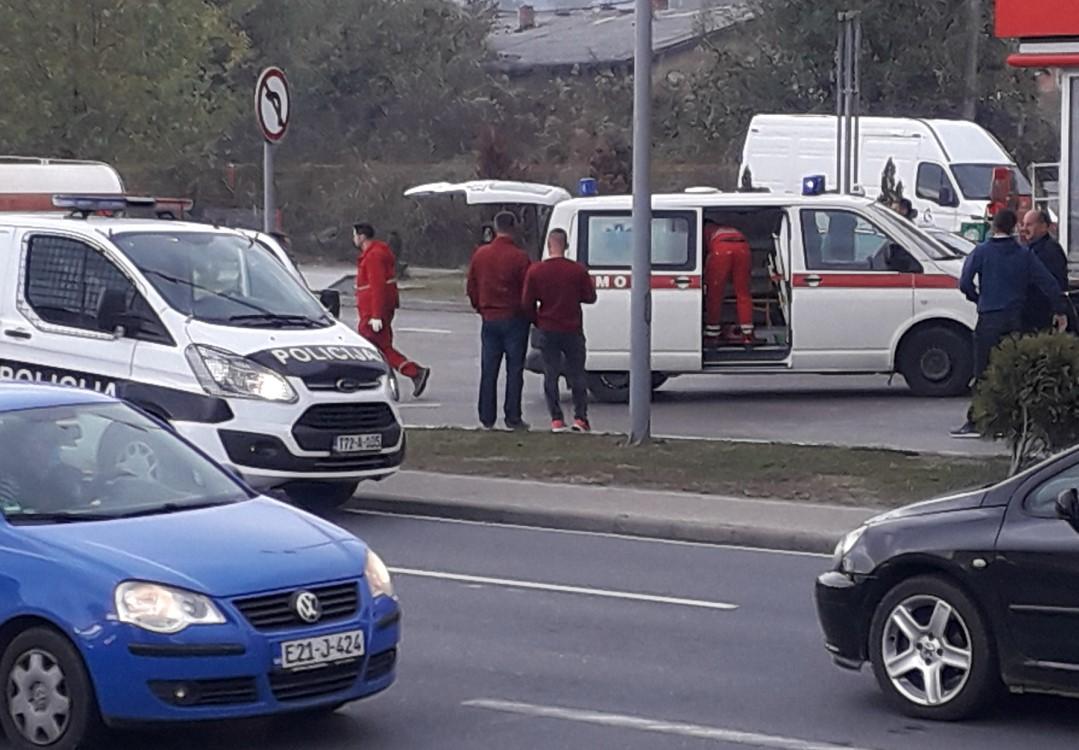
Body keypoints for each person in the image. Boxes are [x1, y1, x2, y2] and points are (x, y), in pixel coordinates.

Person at [951, 209, 1068, 437]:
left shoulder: (981, 252)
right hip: (1015, 318)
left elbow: (965, 282)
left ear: (994, 226)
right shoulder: (1024, 254)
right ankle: (1013, 421)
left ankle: (977, 421)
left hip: (989, 317)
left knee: (983, 369)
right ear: (1014, 226)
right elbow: (1048, 283)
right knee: (1013, 369)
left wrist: (978, 298)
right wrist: (1060, 309)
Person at [522, 229, 597, 432]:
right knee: (578, 374)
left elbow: (527, 302)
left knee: (551, 374)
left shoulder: (536, 271)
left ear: (548, 245)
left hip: (548, 327)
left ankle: (556, 420)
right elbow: (590, 297)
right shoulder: (577, 271)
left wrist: (537, 320)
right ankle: (580, 419)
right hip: (572, 327)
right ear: (566, 246)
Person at [467, 211, 533, 430]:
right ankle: (512, 416)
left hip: (490, 317)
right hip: (514, 318)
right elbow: (527, 290)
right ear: (513, 227)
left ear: (495, 228)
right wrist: (528, 313)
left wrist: (481, 307)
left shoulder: (480, 255)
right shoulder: (520, 257)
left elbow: (472, 286)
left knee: (489, 369)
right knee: (514, 370)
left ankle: (486, 416)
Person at [354, 223, 431, 397]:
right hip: (374, 310)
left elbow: (377, 286)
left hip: (372, 312)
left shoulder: (373, 256)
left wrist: (376, 315)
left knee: (372, 347)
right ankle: (408, 374)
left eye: (355, 235)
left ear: (361, 236)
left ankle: (412, 373)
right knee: (380, 347)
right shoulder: (375, 253)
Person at [703, 222, 756, 347]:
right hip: (743, 248)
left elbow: (702, 253)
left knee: (714, 294)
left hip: (720, 249)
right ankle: (747, 334)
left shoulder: (704, 229)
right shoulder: (728, 228)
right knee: (743, 293)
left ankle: (712, 333)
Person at [1019, 209, 1069, 333]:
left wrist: (1057, 309)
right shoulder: (1027, 249)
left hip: (1043, 314)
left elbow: (1056, 283)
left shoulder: (1050, 250)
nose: (1024, 228)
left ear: (1044, 227)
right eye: (1023, 224)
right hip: (1028, 313)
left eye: (1029, 224)